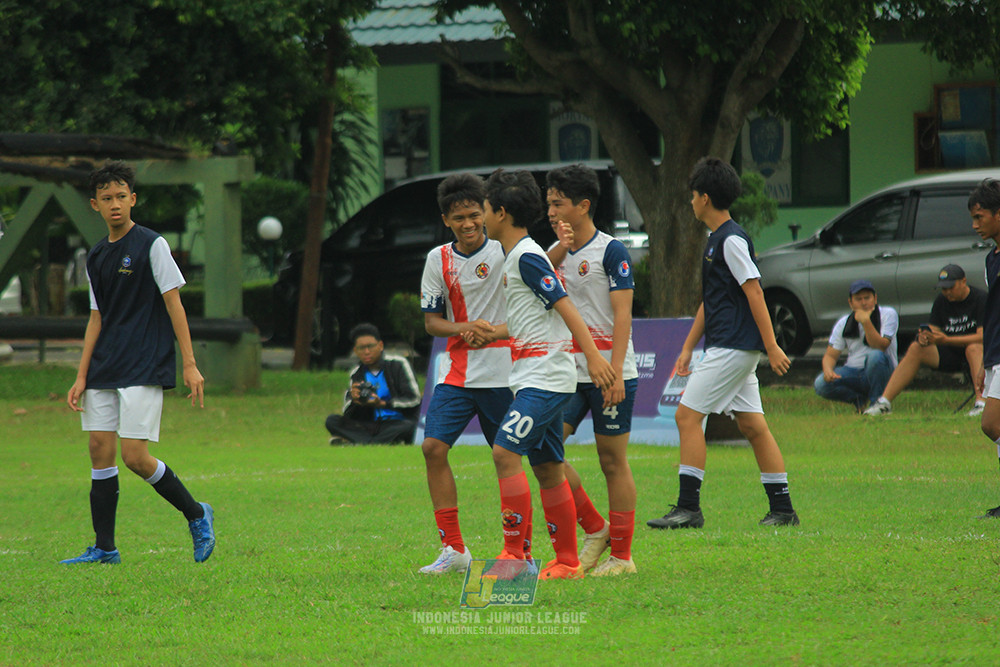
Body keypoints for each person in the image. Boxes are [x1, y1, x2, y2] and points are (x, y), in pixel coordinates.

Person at [63, 161, 214, 565]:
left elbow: (174, 303)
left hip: (144, 362)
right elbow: (97, 318)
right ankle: (105, 548)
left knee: (134, 457)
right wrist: (81, 375)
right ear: (95, 205)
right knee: (99, 450)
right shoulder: (96, 256)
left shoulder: (152, 245)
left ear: (134, 199)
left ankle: (196, 513)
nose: (115, 204)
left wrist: (190, 363)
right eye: (107, 198)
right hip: (104, 366)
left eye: (122, 196)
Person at [468, 169, 616, 580]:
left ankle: (515, 556)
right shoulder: (519, 256)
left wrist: (596, 359)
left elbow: (567, 307)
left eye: (483, 209)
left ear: (499, 212)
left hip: (545, 378)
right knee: (549, 467)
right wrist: (493, 333)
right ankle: (567, 561)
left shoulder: (527, 257)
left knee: (504, 453)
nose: (480, 217)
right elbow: (530, 319)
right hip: (535, 375)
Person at [647, 157, 799, 530]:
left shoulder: (730, 239)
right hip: (731, 347)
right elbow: (710, 302)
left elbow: (755, 292)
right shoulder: (717, 240)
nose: (691, 201)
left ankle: (688, 508)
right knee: (753, 426)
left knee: (687, 417)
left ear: (705, 198)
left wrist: (772, 345)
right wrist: (687, 347)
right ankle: (782, 509)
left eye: (693, 195)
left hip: (732, 347)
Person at [543, 164, 638, 577]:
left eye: (558, 203)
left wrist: (615, 372)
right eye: (548, 203)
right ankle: (594, 528)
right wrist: (559, 250)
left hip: (608, 373)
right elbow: (534, 285)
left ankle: (622, 556)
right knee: (543, 451)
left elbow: (623, 315)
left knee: (611, 461)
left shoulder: (611, 251)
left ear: (583, 206)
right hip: (565, 372)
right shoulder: (552, 253)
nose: (550, 210)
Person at [417, 173, 513, 574]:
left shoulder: (510, 251)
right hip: (458, 374)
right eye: (460, 218)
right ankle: (454, 550)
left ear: (487, 214)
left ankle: (579, 529)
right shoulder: (437, 259)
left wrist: (493, 332)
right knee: (433, 449)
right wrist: (465, 329)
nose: (469, 224)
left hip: (506, 375)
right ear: (446, 220)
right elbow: (431, 323)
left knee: (531, 459)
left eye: (475, 215)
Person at [864, 264, 986, 417]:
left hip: (980, 355)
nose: (947, 292)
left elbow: (984, 336)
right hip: (950, 353)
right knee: (916, 348)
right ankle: (884, 403)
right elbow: (934, 329)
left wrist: (947, 339)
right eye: (943, 288)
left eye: (951, 287)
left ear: (963, 281)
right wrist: (926, 337)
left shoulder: (981, 298)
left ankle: (982, 403)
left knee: (973, 347)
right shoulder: (942, 301)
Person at [325, 323, 421, 445]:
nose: (366, 352)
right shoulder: (356, 372)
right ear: (355, 350)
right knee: (332, 421)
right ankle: (382, 441)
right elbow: (348, 412)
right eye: (361, 348)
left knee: (412, 427)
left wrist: (382, 404)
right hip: (370, 424)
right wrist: (355, 400)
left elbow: (414, 399)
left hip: (398, 421)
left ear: (380, 346)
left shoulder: (398, 364)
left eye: (370, 346)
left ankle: (360, 442)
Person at [814, 280, 899, 412]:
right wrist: (828, 370)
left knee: (875, 356)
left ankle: (877, 404)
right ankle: (858, 400)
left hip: (883, 370)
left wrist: (866, 322)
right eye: (858, 299)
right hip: (854, 372)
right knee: (820, 384)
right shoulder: (844, 322)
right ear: (851, 303)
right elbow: (830, 355)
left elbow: (880, 346)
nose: (864, 303)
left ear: (875, 299)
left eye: (867, 298)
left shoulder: (888, 314)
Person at [969, 178, 1000, 519]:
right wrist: (984, 359)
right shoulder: (991, 258)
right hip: (995, 350)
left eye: (980, 217)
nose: (975, 225)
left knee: (991, 424)